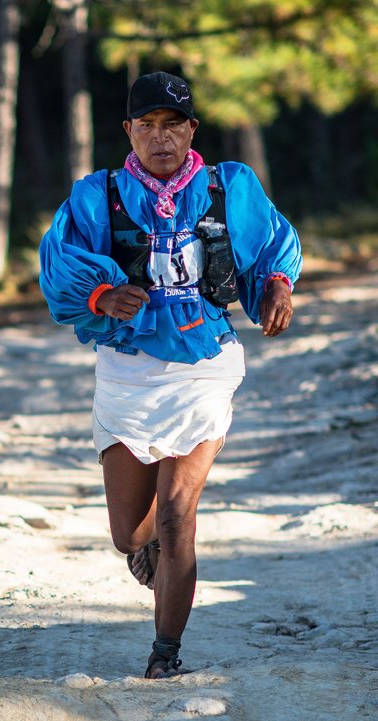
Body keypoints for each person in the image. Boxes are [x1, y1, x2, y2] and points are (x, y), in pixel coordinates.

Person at [38, 71, 301, 679]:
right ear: (128, 131)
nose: (161, 138)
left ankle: (166, 655)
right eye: (147, 126)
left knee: (180, 512)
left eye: (173, 124)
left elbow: (272, 247)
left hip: (205, 364)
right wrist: (101, 295)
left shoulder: (228, 186)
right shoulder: (94, 197)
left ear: (191, 130)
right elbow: (58, 267)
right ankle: (146, 545)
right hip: (128, 371)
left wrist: (279, 286)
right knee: (129, 534)